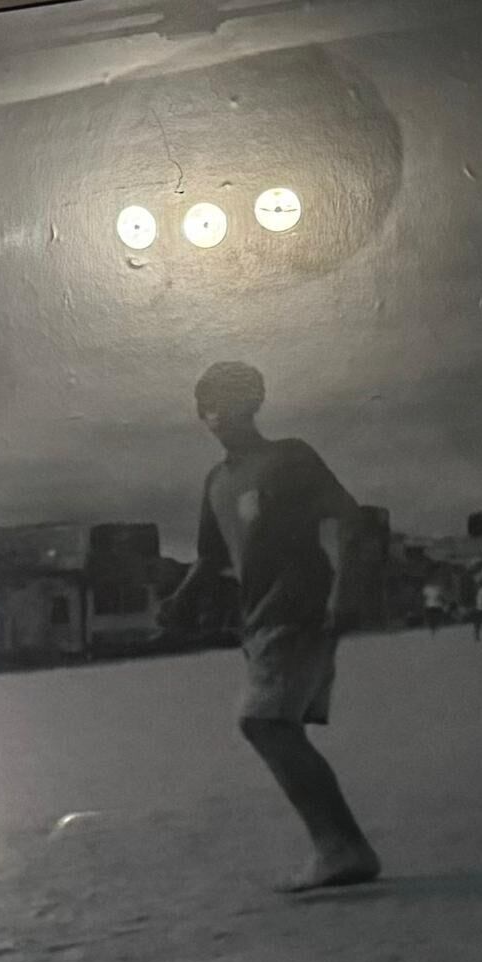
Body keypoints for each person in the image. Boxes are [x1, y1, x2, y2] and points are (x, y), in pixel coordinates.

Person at [149, 360, 381, 891]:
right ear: (201, 416)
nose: (218, 414)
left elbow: (347, 517)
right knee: (278, 727)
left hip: (298, 611)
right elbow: (210, 559)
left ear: (254, 402)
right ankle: (341, 846)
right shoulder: (216, 482)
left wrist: (346, 586)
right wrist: (178, 604)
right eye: (207, 405)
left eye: (229, 401)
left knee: (264, 723)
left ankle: (342, 848)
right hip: (256, 624)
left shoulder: (289, 458)